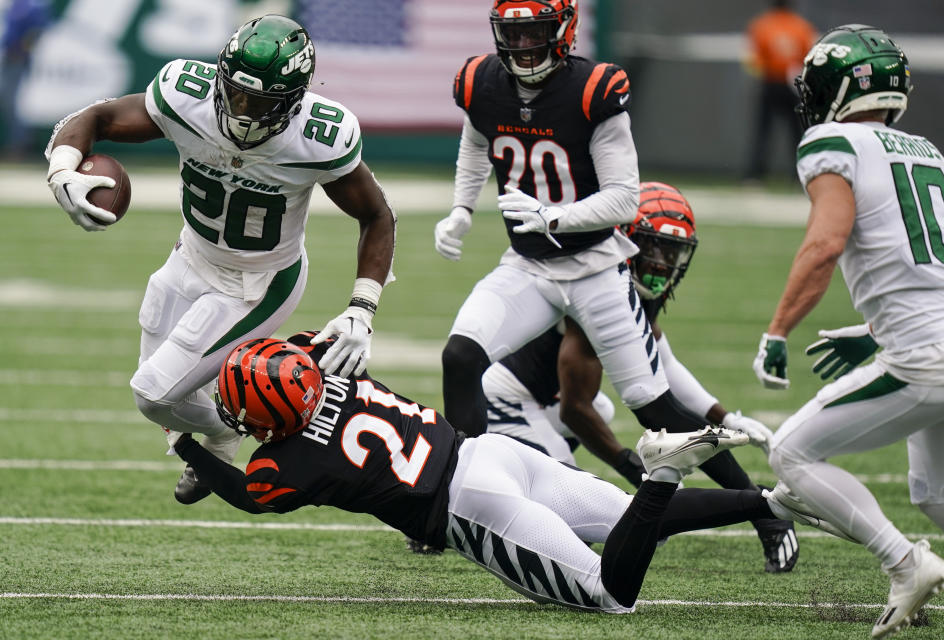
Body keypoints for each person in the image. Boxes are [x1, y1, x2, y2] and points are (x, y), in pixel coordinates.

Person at [174, 335, 842, 612]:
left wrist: (189, 448)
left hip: (469, 507)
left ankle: (662, 470)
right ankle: (770, 502)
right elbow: (302, 352)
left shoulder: (290, 463)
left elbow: (248, 494)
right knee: (631, 523)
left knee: (612, 595)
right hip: (495, 452)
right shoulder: (339, 372)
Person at [43, 15, 396, 505]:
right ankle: (218, 437)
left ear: (295, 100)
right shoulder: (186, 96)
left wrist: (363, 307)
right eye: (236, 92)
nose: (245, 110)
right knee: (170, 404)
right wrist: (62, 171)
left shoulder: (318, 137)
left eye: (263, 102)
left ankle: (244, 429)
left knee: (153, 395)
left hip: (257, 283)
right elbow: (97, 118)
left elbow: (377, 215)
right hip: (188, 257)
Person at [752, 25, 944, 639]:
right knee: (937, 493)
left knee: (790, 452)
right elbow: (925, 266)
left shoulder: (830, 140)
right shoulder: (925, 150)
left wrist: (778, 330)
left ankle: (905, 563)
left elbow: (824, 245)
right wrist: (873, 331)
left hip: (926, 355)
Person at [483, 182, 798, 572]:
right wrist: (633, 468)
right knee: (578, 512)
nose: (663, 261)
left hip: (545, 398)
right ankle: (460, 506)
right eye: (654, 246)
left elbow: (662, 363)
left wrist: (726, 417)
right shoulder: (595, 287)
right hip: (506, 399)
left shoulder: (627, 287)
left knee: (603, 411)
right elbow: (574, 410)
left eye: (672, 250)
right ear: (626, 240)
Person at [743, 0, 816, 183]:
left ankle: (755, 175)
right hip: (793, 85)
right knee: (797, 132)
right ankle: (801, 174)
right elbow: (809, 56)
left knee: (764, 132)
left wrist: (764, 73)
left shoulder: (761, 25)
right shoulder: (801, 26)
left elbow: (753, 59)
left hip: (770, 82)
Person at [0, 0, 52, 159]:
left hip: (18, 59)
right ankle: (21, 142)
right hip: (9, 57)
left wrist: (22, 50)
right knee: (10, 101)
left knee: (14, 102)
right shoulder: (17, 4)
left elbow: (40, 29)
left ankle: (22, 144)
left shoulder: (33, 5)